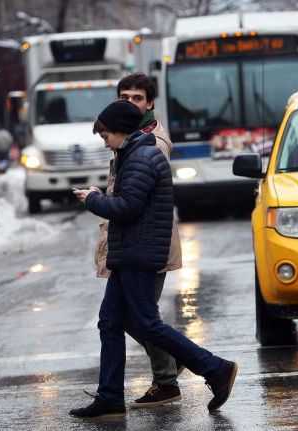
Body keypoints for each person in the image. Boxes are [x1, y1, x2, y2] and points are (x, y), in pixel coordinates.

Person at [71, 101, 237, 418]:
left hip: (139, 253)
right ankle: (109, 397)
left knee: (148, 324)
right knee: (109, 321)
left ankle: (216, 369)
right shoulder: (132, 155)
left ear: (121, 130)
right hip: (130, 253)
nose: (105, 142)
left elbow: (126, 208)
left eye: (106, 135)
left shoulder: (141, 158)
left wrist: (93, 199)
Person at [92, 73, 184, 409]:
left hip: (146, 244)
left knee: (140, 317)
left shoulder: (150, 143)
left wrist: (96, 200)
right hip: (132, 242)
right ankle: (169, 370)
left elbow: (132, 203)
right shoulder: (126, 138)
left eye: (137, 98)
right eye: (124, 97)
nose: (130, 103)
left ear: (150, 103)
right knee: (125, 316)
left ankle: (173, 372)